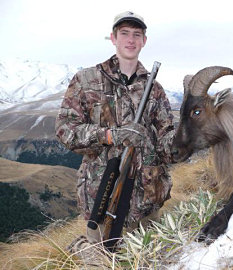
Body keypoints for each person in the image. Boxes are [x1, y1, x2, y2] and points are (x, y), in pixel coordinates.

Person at [55, 11, 174, 246]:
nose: (131, 40)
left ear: (144, 41)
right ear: (113, 38)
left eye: (137, 34)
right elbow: (65, 130)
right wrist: (109, 136)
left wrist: (193, 134)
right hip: (102, 198)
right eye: (125, 33)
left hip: (147, 204)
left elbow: (166, 141)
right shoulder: (86, 80)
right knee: (99, 257)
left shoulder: (155, 89)